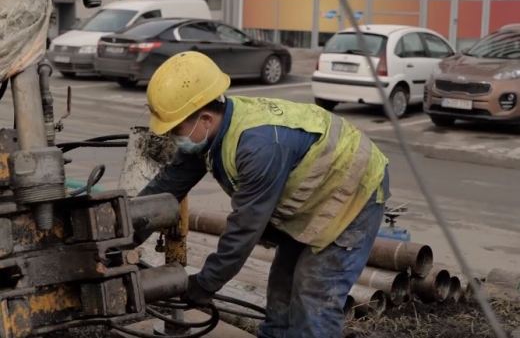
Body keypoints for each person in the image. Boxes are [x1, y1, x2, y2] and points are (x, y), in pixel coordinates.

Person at [138, 51, 390, 338]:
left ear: (205, 118)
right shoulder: (210, 135)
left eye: (175, 129)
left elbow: (245, 229)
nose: (172, 137)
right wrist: (123, 238)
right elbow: (165, 189)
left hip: (354, 191)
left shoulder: (258, 146)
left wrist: (206, 284)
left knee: (314, 294)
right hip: (313, 196)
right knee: (282, 286)